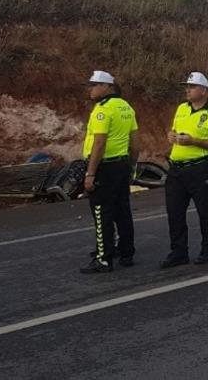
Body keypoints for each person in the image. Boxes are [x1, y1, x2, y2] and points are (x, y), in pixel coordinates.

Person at [162, 72, 208, 268]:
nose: (187, 90)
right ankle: (178, 251)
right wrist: (171, 136)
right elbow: (173, 129)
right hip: (176, 170)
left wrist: (194, 141)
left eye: (192, 87)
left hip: (200, 169)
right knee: (174, 212)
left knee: (205, 212)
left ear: (204, 91)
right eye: (186, 86)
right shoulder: (182, 108)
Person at [81, 71, 140, 274]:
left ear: (107, 87)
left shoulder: (102, 110)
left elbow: (99, 143)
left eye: (94, 85)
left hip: (104, 167)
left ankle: (103, 258)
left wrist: (90, 173)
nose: (90, 89)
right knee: (122, 210)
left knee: (101, 212)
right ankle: (126, 252)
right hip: (121, 165)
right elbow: (135, 143)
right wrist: (131, 166)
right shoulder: (126, 107)